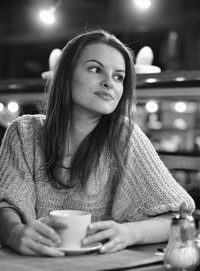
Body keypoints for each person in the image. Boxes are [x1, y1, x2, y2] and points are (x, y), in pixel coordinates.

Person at [0, 29, 195, 257]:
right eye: (95, 69)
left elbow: (180, 215)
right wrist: (14, 233)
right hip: (32, 268)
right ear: (66, 75)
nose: (109, 83)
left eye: (118, 76)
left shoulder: (124, 136)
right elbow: (6, 203)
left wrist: (128, 233)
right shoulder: (24, 132)